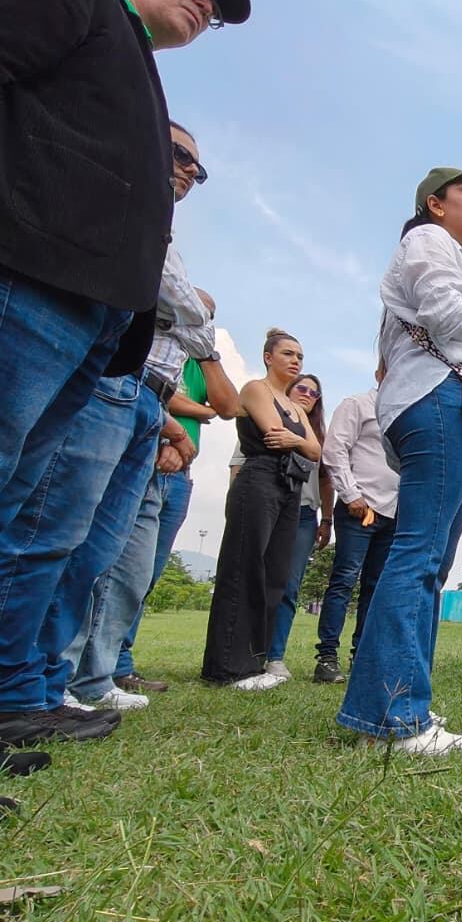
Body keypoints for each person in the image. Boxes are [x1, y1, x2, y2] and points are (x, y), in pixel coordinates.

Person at [0, 0, 249, 749]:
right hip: (29, 282)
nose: (207, 3)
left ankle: (13, 695)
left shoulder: (134, 60)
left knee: (34, 520)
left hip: (90, 320)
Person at [336, 162, 462, 757]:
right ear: (434, 205)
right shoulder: (425, 239)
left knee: (430, 562)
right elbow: (446, 317)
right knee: (418, 557)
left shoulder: (454, 256)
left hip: (445, 400)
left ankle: (390, 701)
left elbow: (459, 338)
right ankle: (395, 714)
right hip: (435, 401)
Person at [62, 124, 238, 712]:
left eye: (198, 166)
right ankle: (47, 679)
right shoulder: (130, 210)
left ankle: (88, 678)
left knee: (123, 560)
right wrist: (194, 319)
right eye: (180, 155)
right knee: (72, 542)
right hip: (113, 387)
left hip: (146, 400)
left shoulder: (167, 233)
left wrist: (187, 322)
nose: (190, 169)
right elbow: (172, 295)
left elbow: (183, 313)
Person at [116, 290, 240, 696]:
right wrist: (184, 417)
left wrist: (208, 355)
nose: (201, 318)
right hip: (143, 457)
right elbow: (151, 391)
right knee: (113, 565)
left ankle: (119, 662)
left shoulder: (198, 362)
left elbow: (226, 406)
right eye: (195, 310)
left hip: (182, 474)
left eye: (209, 314)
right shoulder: (149, 345)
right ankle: (88, 666)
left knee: (145, 573)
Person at [202, 330, 322, 691]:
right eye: (287, 353)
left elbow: (315, 451)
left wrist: (297, 440)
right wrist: (299, 441)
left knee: (274, 574)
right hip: (259, 478)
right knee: (244, 566)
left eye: (300, 355)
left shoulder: (298, 408)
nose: (295, 361)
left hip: (290, 487)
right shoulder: (257, 389)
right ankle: (227, 666)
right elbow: (273, 435)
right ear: (269, 356)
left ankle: (254, 662)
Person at [311, 367, 399, 685]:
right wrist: (351, 494)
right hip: (359, 509)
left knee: (375, 589)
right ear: (379, 373)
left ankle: (362, 656)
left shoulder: (404, 414)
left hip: (393, 514)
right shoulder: (358, 404)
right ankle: (327, 658)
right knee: (344, 583)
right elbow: (334, 450)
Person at [254, 374, 333, 681]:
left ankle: (275, 656)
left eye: (315, 392)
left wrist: (327, 518)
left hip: (303, 514)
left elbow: (326, 479)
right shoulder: (268, 413)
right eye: (302, 387)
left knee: (288, 586)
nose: (308, 394)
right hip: (269, 505)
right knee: (257, 578)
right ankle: (246, 650)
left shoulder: (319, 437)